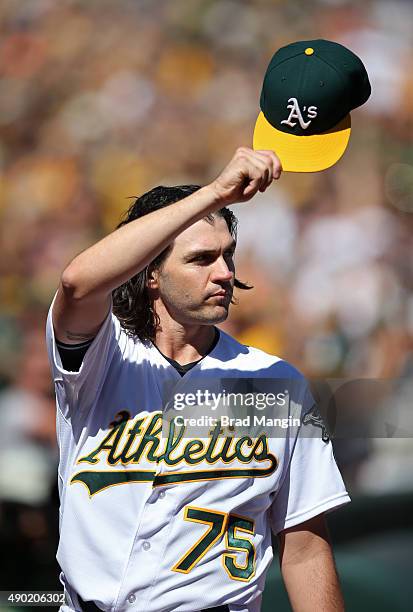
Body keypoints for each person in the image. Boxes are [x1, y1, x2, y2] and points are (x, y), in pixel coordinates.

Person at [46, 147, 350, 612]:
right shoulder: (103, 358)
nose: (225, 273)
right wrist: (214, 194)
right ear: (150, 274)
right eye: (202, 258)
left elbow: (305, 547)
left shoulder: (275, 382)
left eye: (228, 255)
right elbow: (77, 283)